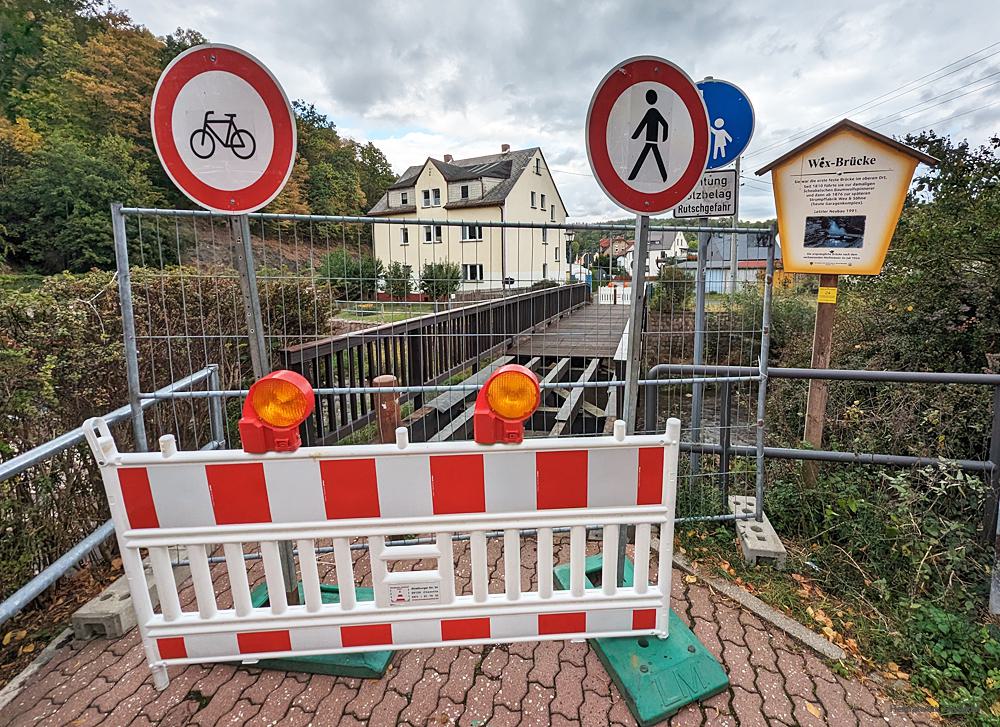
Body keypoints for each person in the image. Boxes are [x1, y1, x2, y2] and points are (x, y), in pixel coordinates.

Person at [628, 89, 669, 181]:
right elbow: (644, 124)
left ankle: (633, 176)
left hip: (651, 140)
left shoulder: (652, 112)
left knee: (646, 157)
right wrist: (635, 135)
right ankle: (664, 176)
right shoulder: (653, 112)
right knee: (653, 157)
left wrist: (664, 137)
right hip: (651, 140)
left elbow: (643, 124)